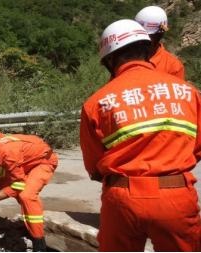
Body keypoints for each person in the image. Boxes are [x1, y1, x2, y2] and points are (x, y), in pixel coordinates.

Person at [80, 19, 201, 251]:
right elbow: (198, 148)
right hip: (175, 197)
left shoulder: (97, 102)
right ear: (147, 50)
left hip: (122, 199)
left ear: (110, 60)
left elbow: (94, 167)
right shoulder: (187, 91)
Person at [135, 6, 184, 79]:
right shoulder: (124, 57)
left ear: (159, 35)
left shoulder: (173, 66)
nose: (140, 40)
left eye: (146, 36)